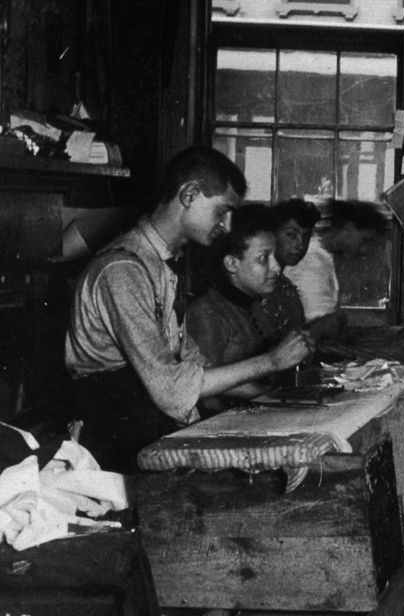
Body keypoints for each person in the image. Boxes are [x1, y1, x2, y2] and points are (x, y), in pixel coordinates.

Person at [64, 147, 314, 472]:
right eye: (222, 211)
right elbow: (173, 391)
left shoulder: (163, 265)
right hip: (114, 444)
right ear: (190, 195)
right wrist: (271, 362)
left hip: (143, 426)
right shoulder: (122, 270)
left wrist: (272, 398)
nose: (226, 225)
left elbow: (195, 367)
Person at [185, 204, 311, 415]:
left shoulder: (252, 306)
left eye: (275, 258)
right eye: (263, 259)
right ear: (232, 264)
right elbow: (202, 388)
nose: (276, 268)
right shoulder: (209, 312)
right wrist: (271, 393)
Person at [283, 199, 390, 340]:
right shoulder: (313, 259)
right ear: (348, 228)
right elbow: (318, 322)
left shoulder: (324, 258)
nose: (364, 249)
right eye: (365, 240)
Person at [258, 199, 320, 340]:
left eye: (306, 237)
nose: (300, 244)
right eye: (291, 235)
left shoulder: (286, 288)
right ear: (271, 234)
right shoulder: (259, 285)